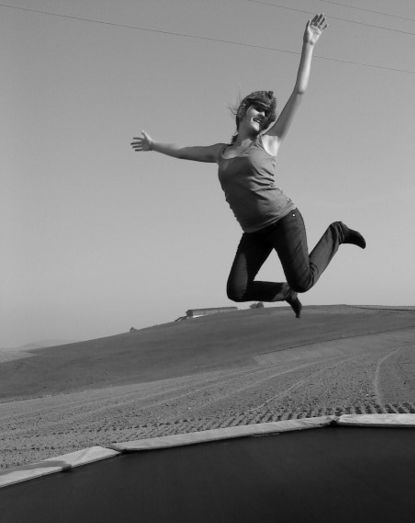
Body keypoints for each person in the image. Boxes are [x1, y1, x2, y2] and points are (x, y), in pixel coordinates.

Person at [131, 14, 365, 319]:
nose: (263, 114)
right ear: (244, 110)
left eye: (267, 113)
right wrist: (154, 145)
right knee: (237, 290)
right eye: (258, 108)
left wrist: (308, 44)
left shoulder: (269, 142)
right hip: (254, 231)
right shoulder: (222, 152)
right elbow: (185, 151)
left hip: (283, 220)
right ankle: (285, 293)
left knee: (304, 280)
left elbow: (300, 92)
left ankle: (337, 232)